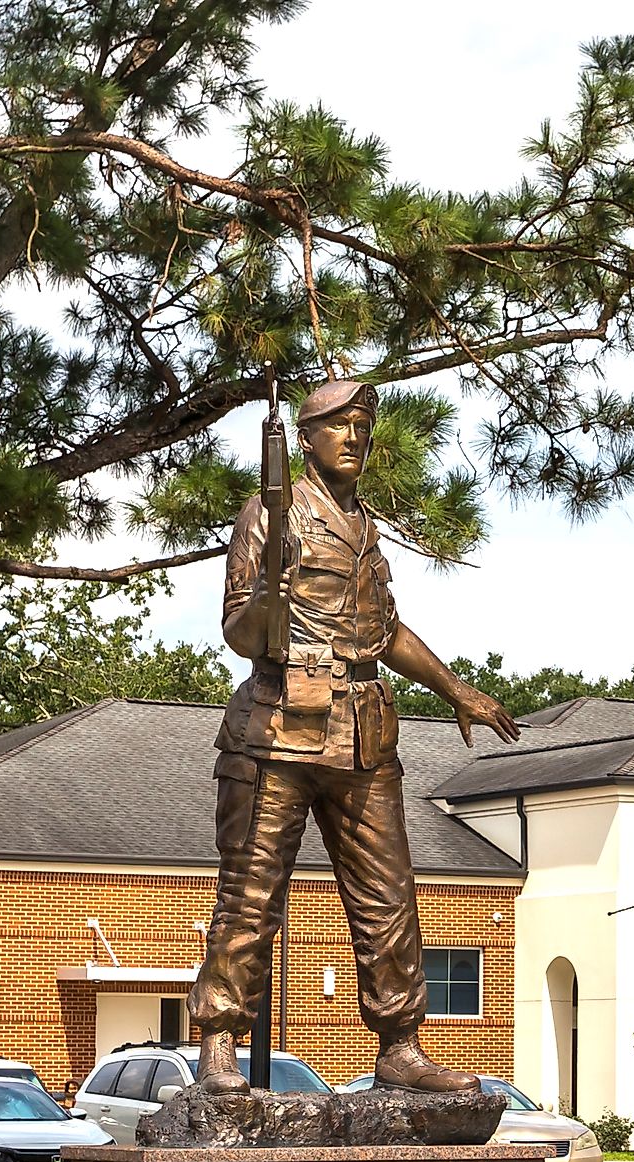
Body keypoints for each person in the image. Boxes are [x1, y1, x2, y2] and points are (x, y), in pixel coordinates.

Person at [187, 379, 520, 1093]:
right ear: (305, 440)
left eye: (363, 429)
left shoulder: (364, 525)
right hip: (277, 730)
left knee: (388, 896)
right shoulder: (269, 514)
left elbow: (384, 630)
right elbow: (239, 630)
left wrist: (457, 690)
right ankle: (218, 1043)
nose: (355, 439)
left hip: (364, 734)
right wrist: (273, 593)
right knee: (250, 894)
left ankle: (400, 1045)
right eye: (339, 427)